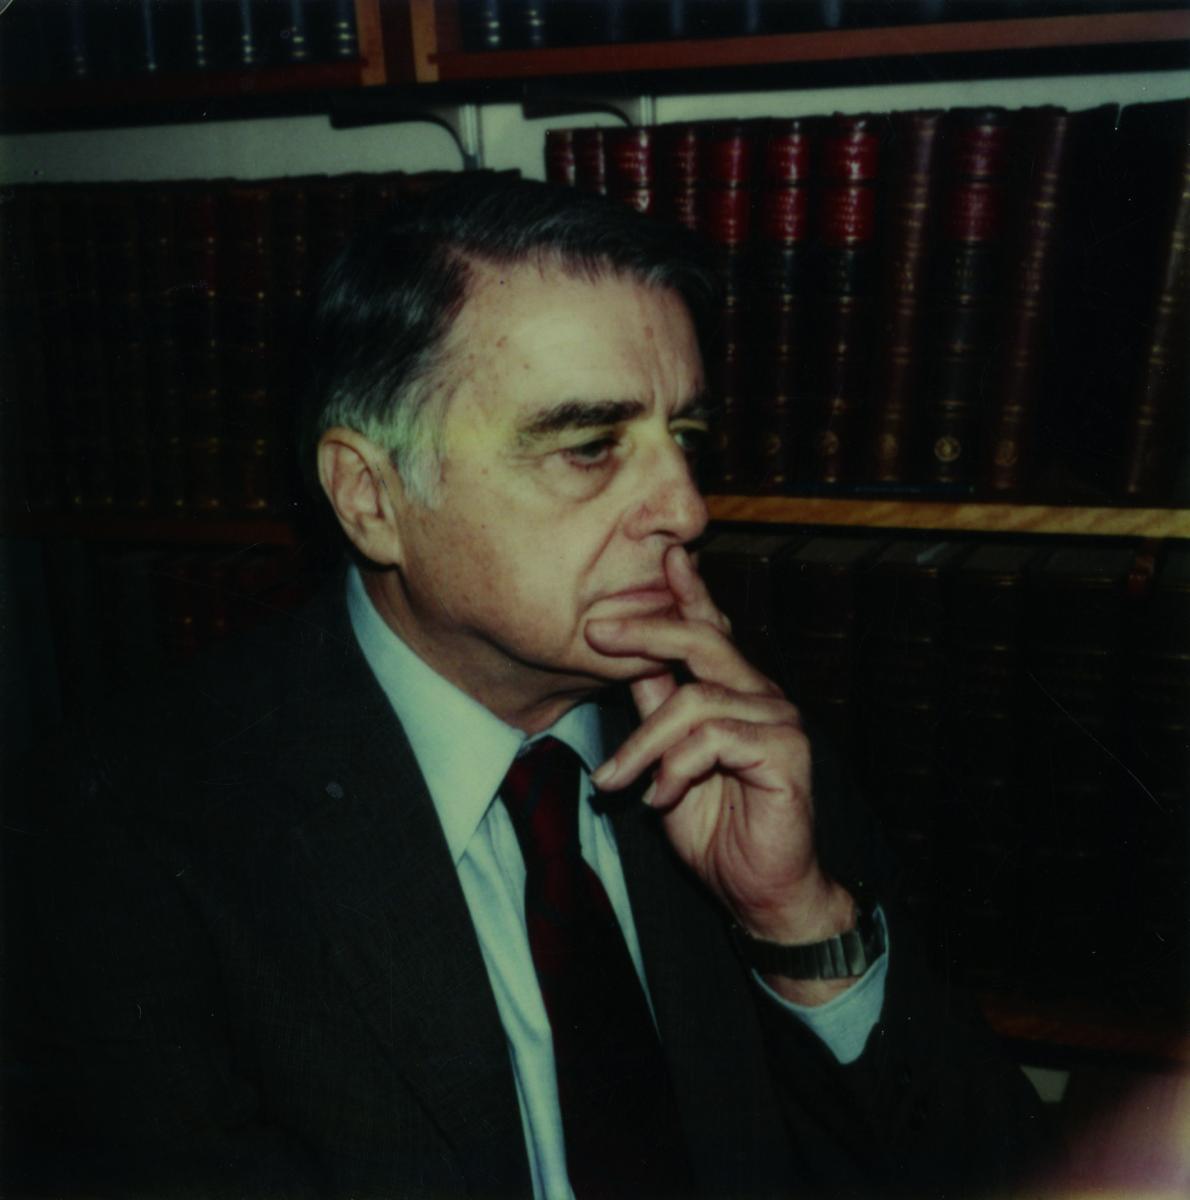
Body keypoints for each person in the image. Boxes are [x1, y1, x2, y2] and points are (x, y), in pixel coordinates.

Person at [3, 175, 1045, 1199]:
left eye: (684, 438)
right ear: (370, 499)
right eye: (590, 447)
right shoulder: (131, 836)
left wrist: (795, 920)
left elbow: (1006, 1174)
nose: (685, 508)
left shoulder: (743, 737)